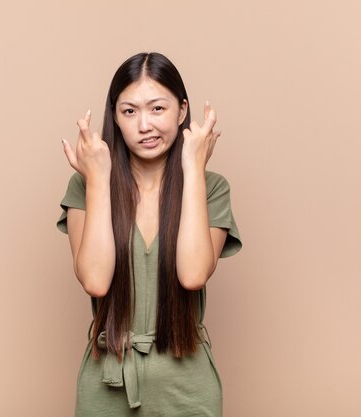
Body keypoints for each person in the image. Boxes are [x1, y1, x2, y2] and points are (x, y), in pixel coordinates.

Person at [56, 52, 241, 417]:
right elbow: (94, 279)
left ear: (182, 110)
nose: (145, 125)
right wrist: (97, 179)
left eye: (157, 109)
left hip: (187, 383)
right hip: (107, 379)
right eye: (129, 111)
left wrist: (193, 168)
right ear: (115, 117)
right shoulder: (86, 185)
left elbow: (192, 274)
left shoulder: (211, 188)